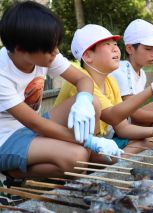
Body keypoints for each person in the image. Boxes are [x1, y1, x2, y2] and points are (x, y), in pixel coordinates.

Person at [0, 1, 123, 205]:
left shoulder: (46, 54)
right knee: (77, 157)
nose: (56, 53)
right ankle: (10, 172)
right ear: (21, 49)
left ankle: (82, 157)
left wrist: (83, 100)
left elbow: (83, 79)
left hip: (30, 129)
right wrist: (88, 141)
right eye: (50, 48)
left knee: (91, 102)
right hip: (5, 139)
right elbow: (36, 124)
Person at [54, 24, 153, 155]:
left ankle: (120, 158)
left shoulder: (111, 82)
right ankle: (112, 163)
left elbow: (123, 128)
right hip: (80, 145)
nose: (115, 49)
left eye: (115, 44)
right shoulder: (82, 81)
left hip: (106, 140)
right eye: (107, 45)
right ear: (87, 56)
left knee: (151, 140)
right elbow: (113, 116)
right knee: (145, 144)